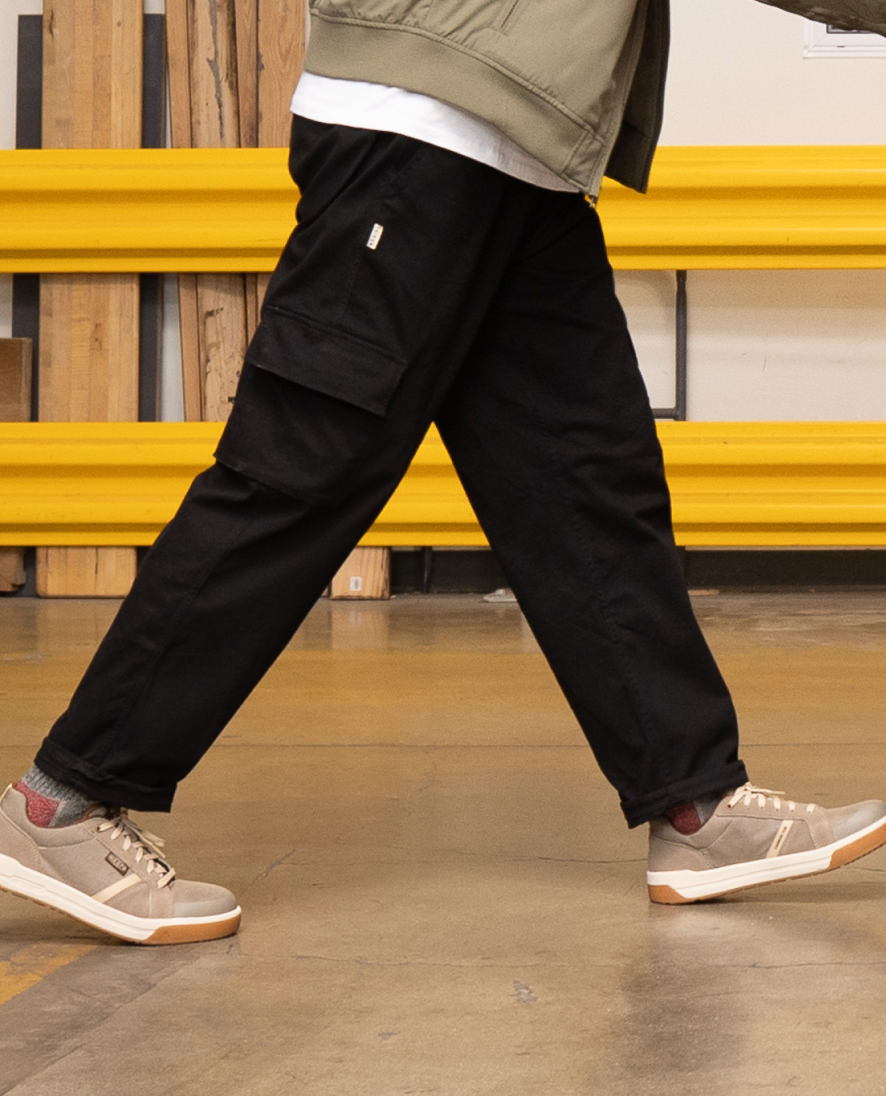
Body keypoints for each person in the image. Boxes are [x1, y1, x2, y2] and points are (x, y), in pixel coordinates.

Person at [2, 0, 885, 945]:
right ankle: (62, 802)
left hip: (521, 144)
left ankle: (694, 804)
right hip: (424, 123)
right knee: (295, 478)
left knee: (587, 484)